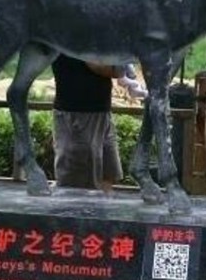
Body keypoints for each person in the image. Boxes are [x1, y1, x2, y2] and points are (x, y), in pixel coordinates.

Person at [51, 54, 145, 192]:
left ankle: (104, 210)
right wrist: (119, 63)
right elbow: (102, 67)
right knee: (76, 181)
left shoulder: (99, 39)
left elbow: (117, 70)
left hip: (101, 113)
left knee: (108, 174)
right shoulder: (75, 38)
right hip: (77, 115)